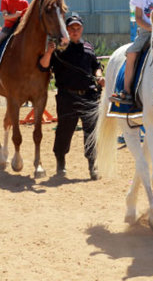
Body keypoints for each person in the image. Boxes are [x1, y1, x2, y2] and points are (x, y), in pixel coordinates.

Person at [39, 14, 105, 180]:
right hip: (67, 97)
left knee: (91, 133)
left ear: (81, 29)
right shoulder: (59, 49)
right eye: (71, 28)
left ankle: (93, 165)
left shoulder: (89, 47)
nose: (75, 31)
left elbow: (96, 66)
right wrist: (49, 52)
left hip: (89, 96)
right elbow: (43, 67)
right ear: (66, 30)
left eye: (78, 28)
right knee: (64, 132)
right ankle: (60, 164)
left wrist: (99, 76)